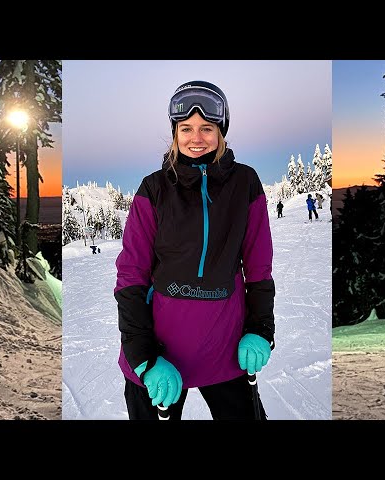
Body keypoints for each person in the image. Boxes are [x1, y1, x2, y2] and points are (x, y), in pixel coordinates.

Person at [114, 80, 275, 420]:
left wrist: (260, 330)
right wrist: (144, 358)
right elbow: (131, 276)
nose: (196, 138)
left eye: (207, 128)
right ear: (175, 133)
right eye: (185, 128)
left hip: (226, 349)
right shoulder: (154, 189)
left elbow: (259, 268)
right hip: (162, 354)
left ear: (221, 131)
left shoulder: (245, 184)